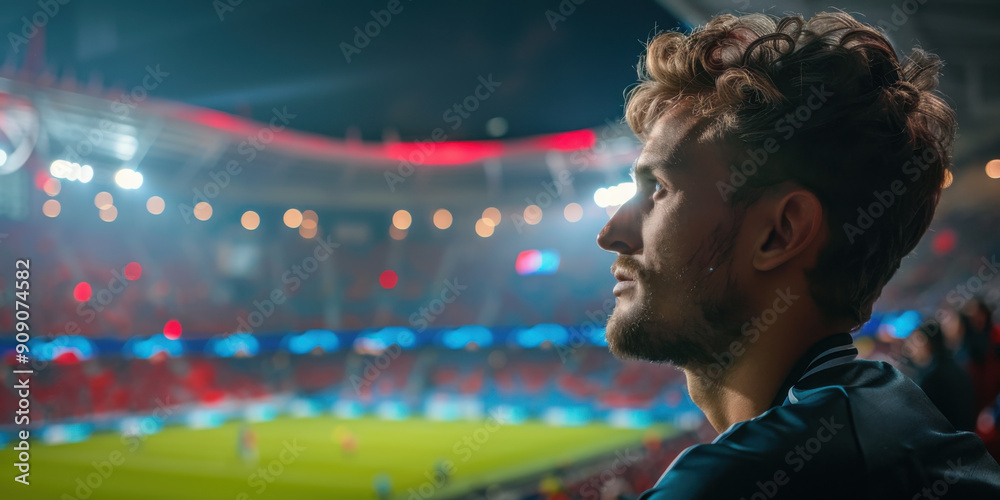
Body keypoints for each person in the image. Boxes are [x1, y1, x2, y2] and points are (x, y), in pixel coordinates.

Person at [596, 11, 1000, 498]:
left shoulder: (730, 484)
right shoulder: (893, 412)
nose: (611, 232)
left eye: (656, 188)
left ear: (781, 233)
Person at [903, 320, 976, 432]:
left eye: (914, 341)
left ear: (926, 343)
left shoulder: (931, 379)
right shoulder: (955, 367)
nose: (909, 348)